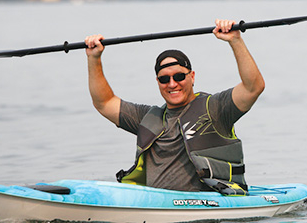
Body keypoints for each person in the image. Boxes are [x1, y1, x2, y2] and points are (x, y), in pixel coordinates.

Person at [85, 19, 265, 195]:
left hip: (208, 213)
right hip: (156, 213)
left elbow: (253, 87)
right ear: (157, 82)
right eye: (164, 79)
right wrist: (94, 58)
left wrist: (235, 40)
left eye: (179, 77)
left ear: (192, 77)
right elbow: (104, 103)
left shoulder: (216, 108)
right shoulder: (147, 117)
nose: (172, 84)